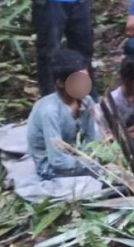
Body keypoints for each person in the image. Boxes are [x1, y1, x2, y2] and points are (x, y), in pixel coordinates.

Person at [26, 49, 99, 179]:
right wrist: (89, 163)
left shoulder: (87, 101)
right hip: (50, 165)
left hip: (78, 155)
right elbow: (57, 160)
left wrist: (95, 155)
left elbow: (93, 139)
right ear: (60, 83)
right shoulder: (50, 111)